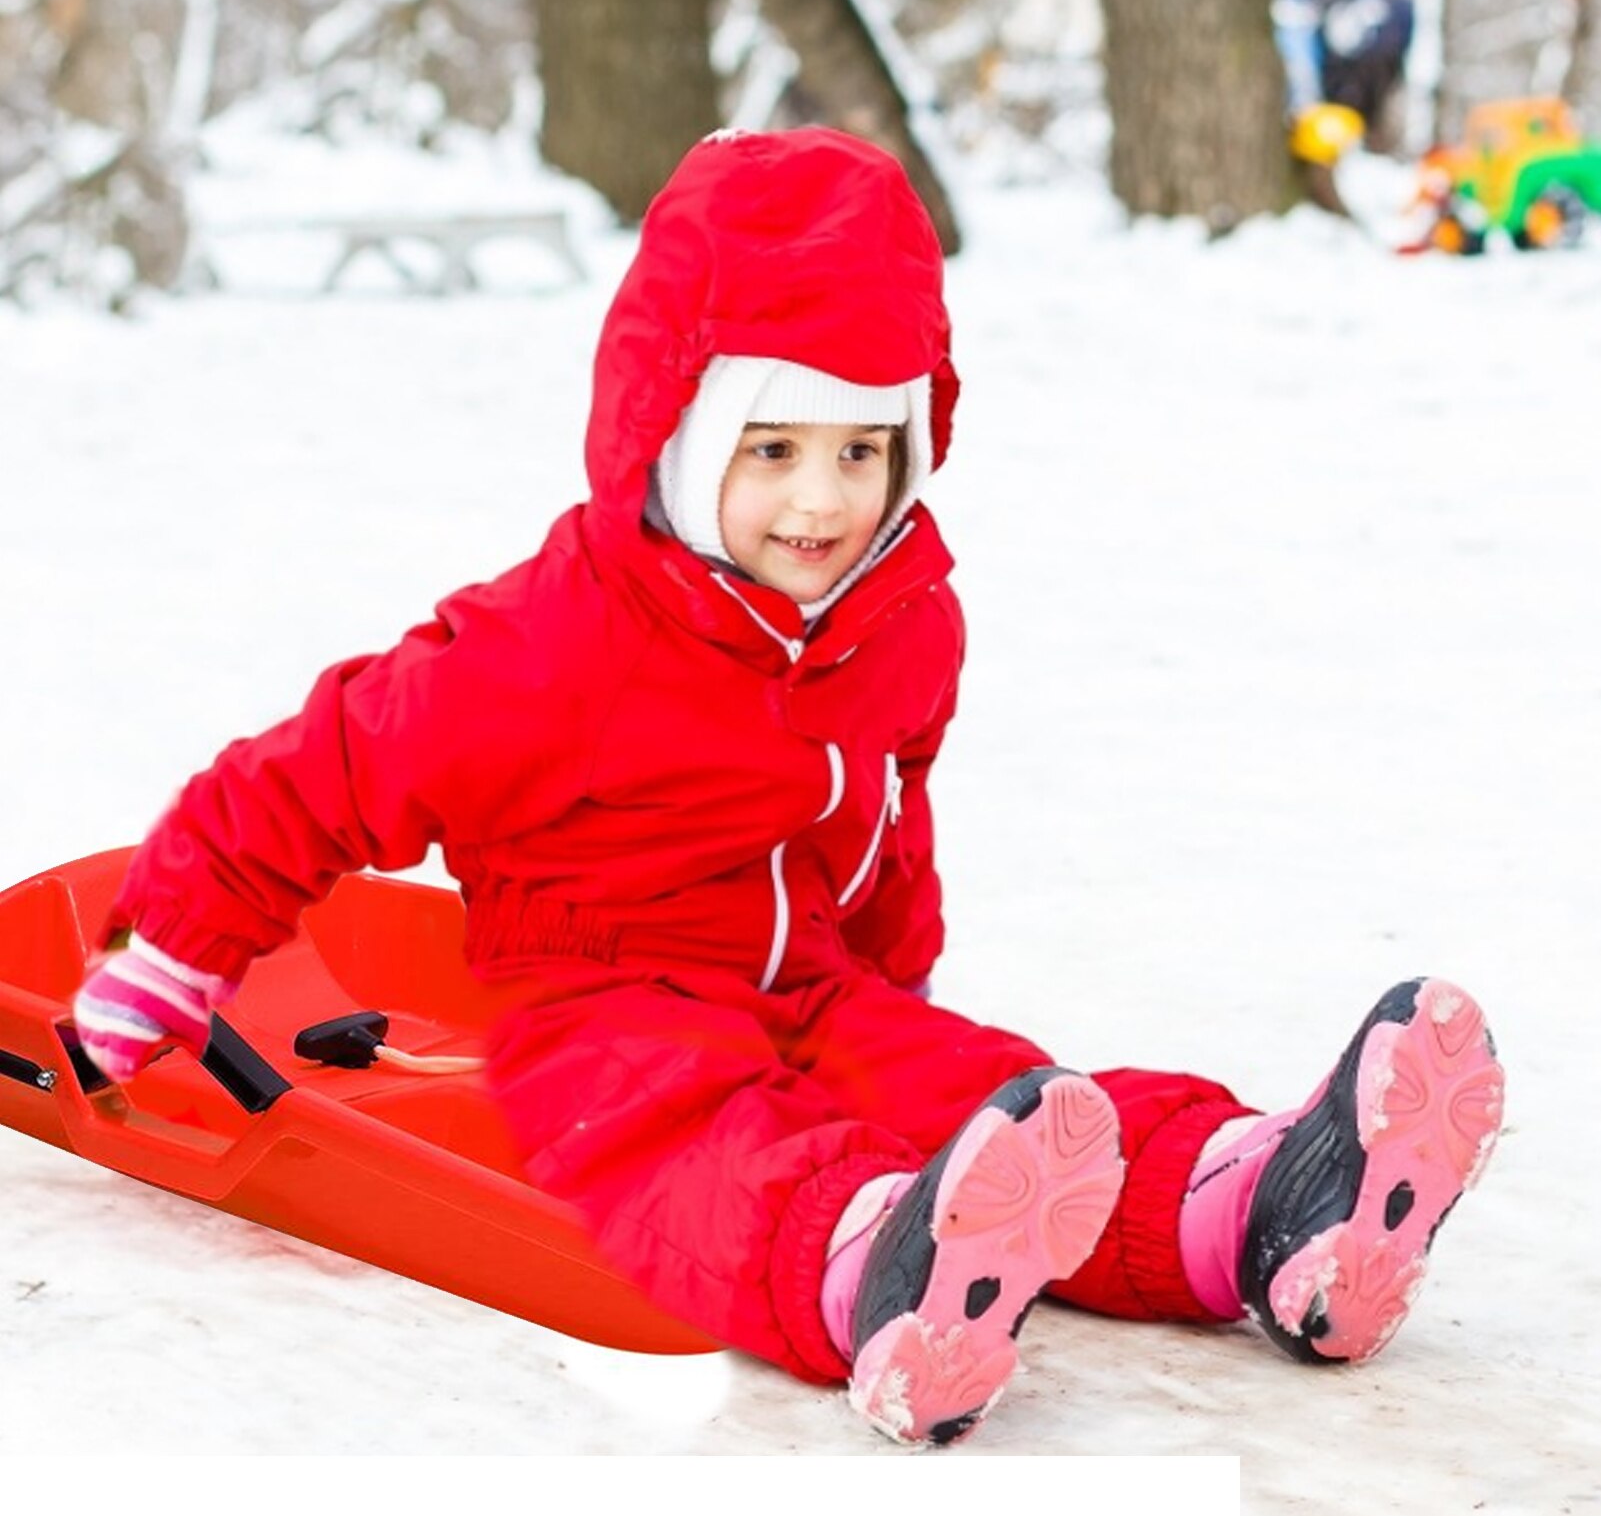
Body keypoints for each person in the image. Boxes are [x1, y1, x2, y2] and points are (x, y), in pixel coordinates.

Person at [70, 128, 1504, 1447]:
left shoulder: (898, 620)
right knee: (693, 1139)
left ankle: (1260, 1204)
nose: (820, 504)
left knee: (999, 1094)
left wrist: (896, 992)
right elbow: (315, 775)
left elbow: (892, 815)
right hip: (593, 996)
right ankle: (873, 1268)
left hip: (803, 983)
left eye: (859, 452)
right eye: (770, 449)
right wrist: (169, 953)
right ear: (677, 441)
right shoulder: (553, 639)